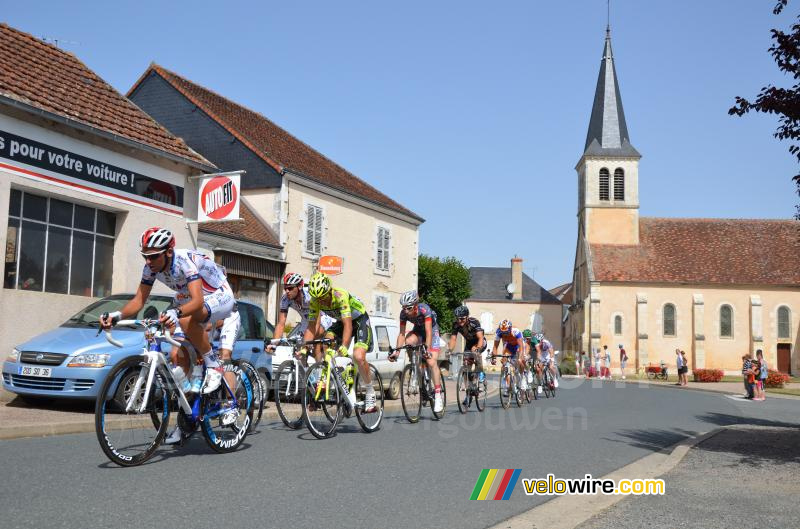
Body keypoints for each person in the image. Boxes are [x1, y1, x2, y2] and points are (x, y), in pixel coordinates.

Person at [100, 227, 236, 442]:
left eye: (153, 256)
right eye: (145, 256)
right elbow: (138, 301)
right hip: (188, 300)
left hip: (218, 295)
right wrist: (116, 316)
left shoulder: (183, 261)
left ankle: (214, 365)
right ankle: (188, 414)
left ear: (168, 252)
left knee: (184, 319)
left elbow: (198, 302)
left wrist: (176, 311)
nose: (148, 261)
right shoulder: (151, 269)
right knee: (176, 355)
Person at [304, 272, 377, 412]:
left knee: (358, 356)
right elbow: (312, 326)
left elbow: (348, 325)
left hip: (359, 320)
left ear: (329, 291)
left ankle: (370, 392)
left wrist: (344, 345)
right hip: (341, 322)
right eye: (317, 298)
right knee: (326, 341)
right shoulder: (314, 301)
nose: (321, 301)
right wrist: (304, 346)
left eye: (323, 297)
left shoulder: (340, 296)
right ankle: (336, 380)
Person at [390, 289, 443, 413]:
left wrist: (427, 349)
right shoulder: (403, 314)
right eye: (403, 308)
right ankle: (415, 367)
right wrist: (397, 352)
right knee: (408, 342)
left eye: (408, 308)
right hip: (418, 331)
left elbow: (429, 331)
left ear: (415, 305)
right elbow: (402, 334)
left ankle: (438, 395)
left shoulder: (424, 310)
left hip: (432, 332)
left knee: (431, 362)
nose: (405, 311)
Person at [448, 306, 487, 406]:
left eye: (462, 318)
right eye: (457, 318)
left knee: (475, 352)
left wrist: (478, 348)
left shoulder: (474, 322)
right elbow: (453, 339)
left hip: (480, 342)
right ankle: (468, 394)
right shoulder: (456, 325)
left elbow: (480, 337)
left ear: (467, 317)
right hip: (469, 343)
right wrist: (449, 350)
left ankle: (481, 375)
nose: (459, 321)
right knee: (466, 367)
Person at [491, 320, 528, 396]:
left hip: (518, 346)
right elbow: (495, 347)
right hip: (509, 346)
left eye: (506, 332)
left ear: (510, 329)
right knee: (504, 362)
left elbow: (521, 347)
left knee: (520, 361)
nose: (505, 334)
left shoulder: (516, 332)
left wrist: (520, 358)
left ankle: (522, 377)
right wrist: (494, 358)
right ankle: (507, 386)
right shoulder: (499, 333)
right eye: (503, 333)